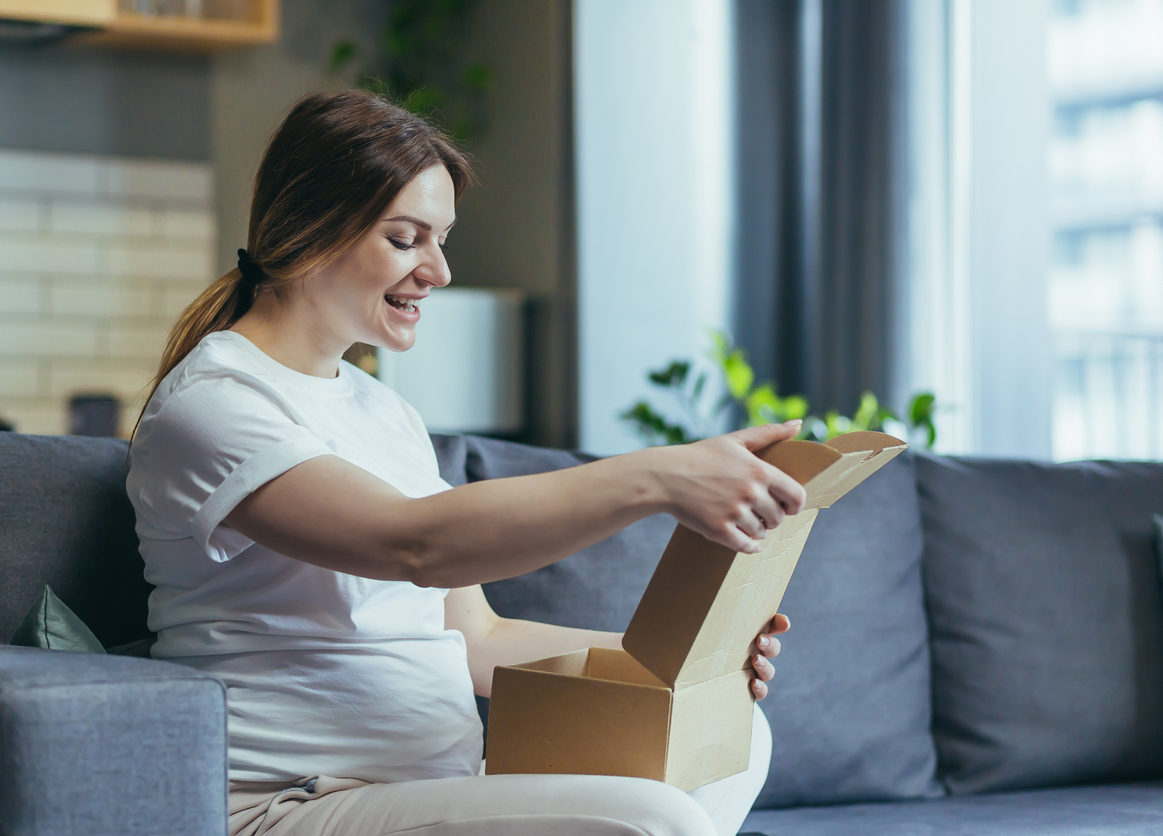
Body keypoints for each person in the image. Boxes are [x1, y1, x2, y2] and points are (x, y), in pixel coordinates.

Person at [126, 90, 806, 836]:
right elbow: (411, 542)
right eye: (407, 237)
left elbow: (478, 640)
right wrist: (658, 478)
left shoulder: (382, 410)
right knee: (655, 820)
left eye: (440, 239)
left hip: (427, 790)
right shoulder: (216, 399)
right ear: (313, 228)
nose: (438, 271)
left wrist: (692, 661)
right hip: (291, 803)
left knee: (734, 742)